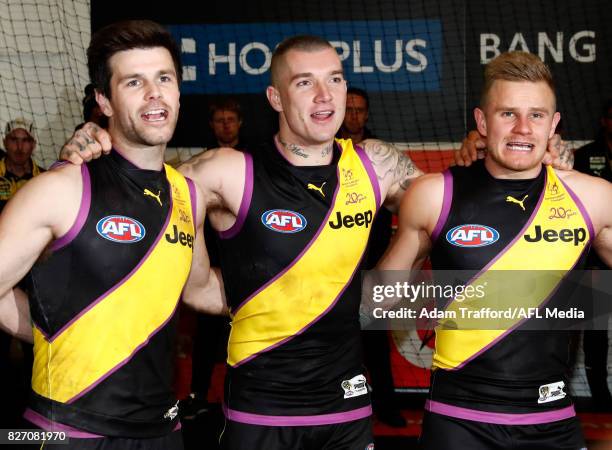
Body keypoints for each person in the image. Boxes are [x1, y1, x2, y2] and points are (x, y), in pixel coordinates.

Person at [59, 36, 571, 449]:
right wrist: (91, 152)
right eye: (305, 83)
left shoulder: (375, 165)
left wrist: (540, 164)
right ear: (276, 98)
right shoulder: (228, 170)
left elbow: (462, 204)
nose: (326, 97)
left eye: (335, 80)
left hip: (347, 408)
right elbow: (136, 198)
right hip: (260, 409)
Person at [0, 20, 222, 449]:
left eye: (164, 78)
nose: (154, 93)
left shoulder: (188, 196)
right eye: (134, 82)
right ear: (104, 100)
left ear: (178, 90)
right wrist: (48, 331)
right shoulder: (60, 188)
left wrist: (328, 298)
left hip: (163, 432)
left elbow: (200, 290)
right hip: (63, 432)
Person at [376, 51, 612, 449]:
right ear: (482, 122)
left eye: (536, 115)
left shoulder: (593, 198)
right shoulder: (436, 194)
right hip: (457, 423)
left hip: (551, 423)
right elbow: (379, 303)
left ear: (553, 125)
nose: (522, 128)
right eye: (507, 114)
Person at [337, 86, 406, 427]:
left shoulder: (381, 154)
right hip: (334, 262)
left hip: (375, 260)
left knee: (376, 339)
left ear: (367, 113)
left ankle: (387, 406)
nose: (354, 115)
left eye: (360, 110)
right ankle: (339, 407)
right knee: (335, 339)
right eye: (349, 108)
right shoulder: (325, 149)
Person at [573, 99, 612, 411]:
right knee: (594, 328)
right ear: (604, 121)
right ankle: (599, 392)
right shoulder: (585, 156)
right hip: (595, 260)